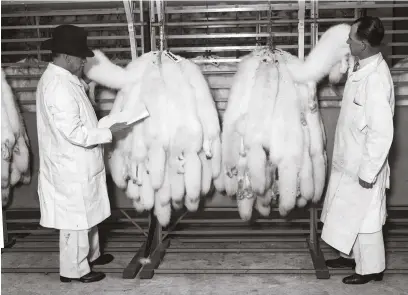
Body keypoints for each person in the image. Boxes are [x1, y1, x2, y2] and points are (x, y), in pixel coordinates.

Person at [36, 25, 130, 283]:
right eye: (80, 58)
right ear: (67, 57)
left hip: (80, 162)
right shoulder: (57, 86)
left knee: (88, 213)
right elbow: (75, 133)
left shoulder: (67, 80)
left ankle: (92, 254)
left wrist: (105, 125)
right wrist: (110, 133)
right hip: (70, 165)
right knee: (76, 220)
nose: (83, 63)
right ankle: (74, 270)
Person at [320, 16, 395, 285]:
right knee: (343, 210)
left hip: (364, 162)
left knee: (366, 219)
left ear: (363, 44)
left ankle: (371, 269)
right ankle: (349, 255)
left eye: (351, 38)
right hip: (348, 157)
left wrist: (369, 170)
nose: (347, 40)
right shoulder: (362, 66)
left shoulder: (375, 79)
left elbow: (381, 131)